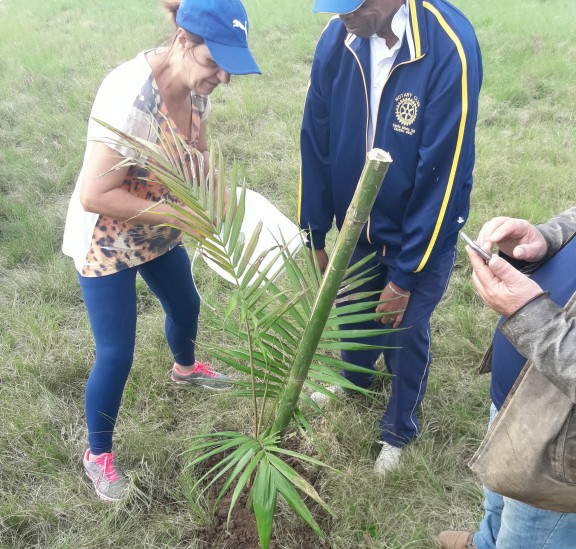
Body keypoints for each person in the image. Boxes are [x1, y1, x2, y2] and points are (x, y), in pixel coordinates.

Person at [62, 0, 260, 501]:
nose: (222, 78)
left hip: (158, 221)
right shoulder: (130, 95)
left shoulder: (195, 91)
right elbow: (94, 194)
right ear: (183, 40)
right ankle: (97, 455)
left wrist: (223, 201)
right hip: (106, 239)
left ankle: (186, 369)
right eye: (215, 63)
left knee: (187, 304)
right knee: (116, 353)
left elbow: (199, 156)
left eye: (229, 68)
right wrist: (178, 217)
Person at [299, 0, 482, 476]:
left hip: (419, 233)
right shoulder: (339, 39)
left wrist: (406, 274)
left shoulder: (448, 47)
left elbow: (444, 172)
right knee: (355, 309)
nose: (343, 18)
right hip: (357, 224)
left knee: (404, 329)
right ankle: (354, 379)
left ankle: (399, 429)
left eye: (352, 5)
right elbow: (315, 136)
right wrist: (313, 231)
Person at [434, 208, 576, 549]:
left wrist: (530, 316)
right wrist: (545, 239)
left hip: (560, 444)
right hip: (517, 393)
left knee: (536, 541)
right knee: (498, 488)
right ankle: (490, 545)